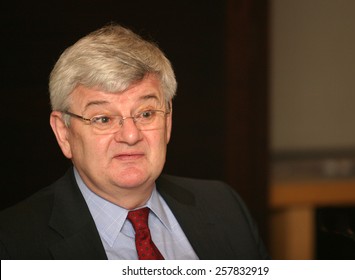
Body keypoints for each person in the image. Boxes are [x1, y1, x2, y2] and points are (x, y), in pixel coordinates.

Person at [0, 24, 269, 260]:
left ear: (168, 121)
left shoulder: (225, 207)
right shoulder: (14, 243)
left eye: (146, 113)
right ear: (63, 132)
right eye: (103, 118)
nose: (130, 136)